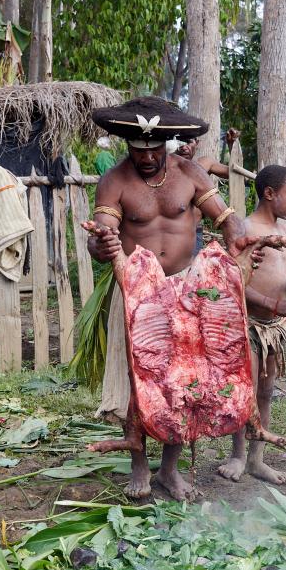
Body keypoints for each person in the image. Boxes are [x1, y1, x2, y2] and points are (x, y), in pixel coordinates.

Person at [85, 97, 250, 502]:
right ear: (128, 145)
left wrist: (237, 236)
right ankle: (140, 464)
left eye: (153, 150)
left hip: (186, 291)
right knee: (141, 384)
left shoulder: (189, 173)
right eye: (137, 151)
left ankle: (170, 470)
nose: (145, 158)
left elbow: (227, 219)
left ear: (166, 143)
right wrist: (102, 243)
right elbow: (100, 234)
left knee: (183, 383)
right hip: (138, 294)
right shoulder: (115, 181)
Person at [217, 165, 286, 485]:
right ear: (270, 194)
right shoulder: (245, 229)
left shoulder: (284, 232)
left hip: (274, 328)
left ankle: (257, 459)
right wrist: (275, 304)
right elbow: (236, 282)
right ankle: (238, 456)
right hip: (249, 324)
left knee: (267, 391)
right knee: (247, 391)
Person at [174, 128, 241, 180]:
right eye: (180, 143)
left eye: (188, 142)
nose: (184, 147)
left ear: (196, 143)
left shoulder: (205, 163)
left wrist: (232, 145)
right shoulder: (166, 164)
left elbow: (236, 174)